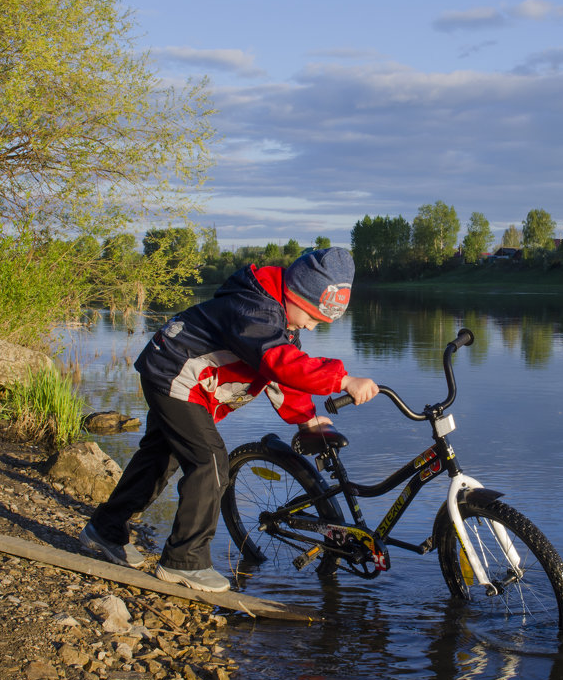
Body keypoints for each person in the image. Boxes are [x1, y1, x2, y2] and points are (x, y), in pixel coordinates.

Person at [79, 247, 379, 592]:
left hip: (176, 376)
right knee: (210, 461)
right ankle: (184, 561)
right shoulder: (256, 309)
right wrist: (342, 380)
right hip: (176, 376)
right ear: (296, 294)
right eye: (313, 316)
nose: (312, 325)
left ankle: (105, 528)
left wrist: (308, 421)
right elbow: (280, 363)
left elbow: (282, 375)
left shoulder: (277, 316)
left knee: (161, 457)